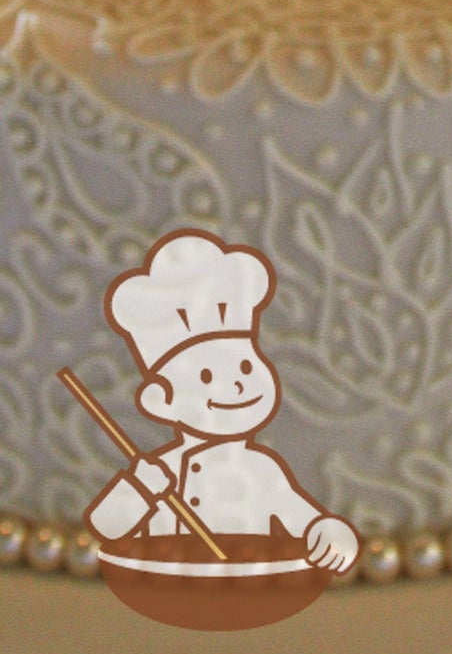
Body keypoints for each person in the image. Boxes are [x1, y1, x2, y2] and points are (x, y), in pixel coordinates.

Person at [86, 228, 359, 575]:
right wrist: (139, 489)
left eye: (246, 366)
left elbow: (306, 522)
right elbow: (106, 527)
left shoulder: (262, 470)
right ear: (160, 401)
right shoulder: (161, 471)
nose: (237, 385)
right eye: (205, 377)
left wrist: (330, 534)